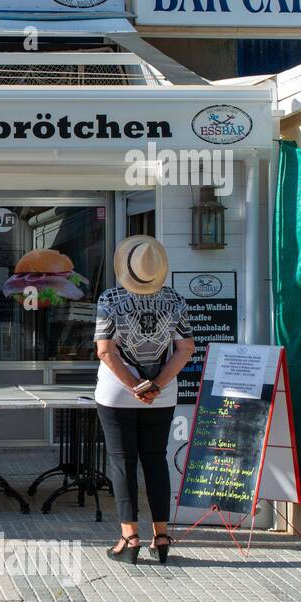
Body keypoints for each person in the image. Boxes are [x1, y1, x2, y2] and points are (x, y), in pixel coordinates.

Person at [94, 236, 195, 566]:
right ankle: (162, 536)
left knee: (123, 461)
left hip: (118, 393)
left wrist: (134, 386)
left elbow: (105, 351)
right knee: (155, 460)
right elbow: (186, 348)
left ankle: (129, 537)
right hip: (162, 394)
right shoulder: (175, 300)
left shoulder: (110, 299)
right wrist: (157, 384)